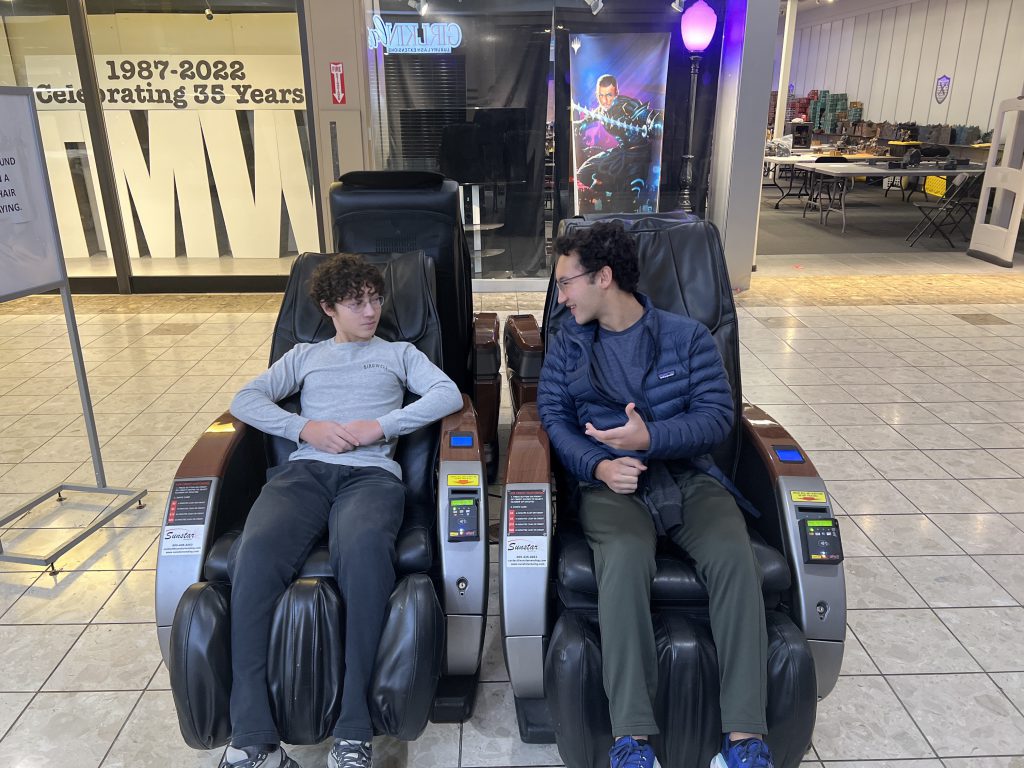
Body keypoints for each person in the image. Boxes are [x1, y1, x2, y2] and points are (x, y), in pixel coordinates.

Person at [536, 222, 773, 768]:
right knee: (623, 556)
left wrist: (652, 438)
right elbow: (554, 417)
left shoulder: (686, 337)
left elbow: (716, 417)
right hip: (610, 484)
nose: (561, 297)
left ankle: (745, 740)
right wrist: (598, 465)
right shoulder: (570, 343)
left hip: (687, 476)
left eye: (567, 283)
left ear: (603, 277)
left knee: (734, 557)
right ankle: (632, 740)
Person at [221, 254, 463, 768]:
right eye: (357, 303)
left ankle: (354, 731)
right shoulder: (304, 356)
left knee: (364, 553)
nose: (371, 311)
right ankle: (253, 738)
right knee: (254, 555)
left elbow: (447, 394)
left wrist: (382, 426)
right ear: (329, 308)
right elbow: (246, 399)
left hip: (372, 477)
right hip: (304, 473)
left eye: (376, 300)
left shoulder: (399, 353)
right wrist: (304, 429)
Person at [573, 74, 663, 213]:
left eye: (609, 95)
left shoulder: (627, 105)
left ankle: (621, 196)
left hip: (638, 155)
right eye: (601, 95)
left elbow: (646, 116)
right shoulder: (601, 110)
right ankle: (610, 191)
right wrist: (582, 123)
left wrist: (654, 123)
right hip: (621, 152)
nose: (605, 100)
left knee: (627, 200)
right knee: (584, 172)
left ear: (616, 93)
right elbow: (592, 116)